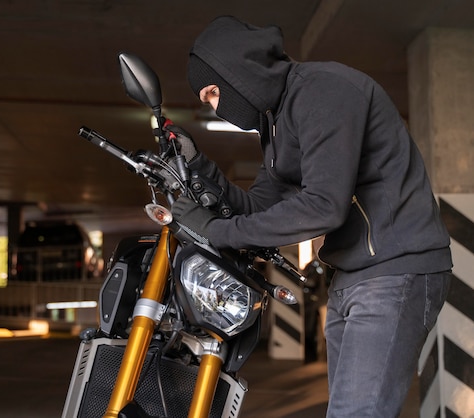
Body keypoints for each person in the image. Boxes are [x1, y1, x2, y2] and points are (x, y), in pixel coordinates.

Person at [167, 15, 453, 417]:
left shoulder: (325, 91)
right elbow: (260, 207)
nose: (215, 107)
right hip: (352, 272)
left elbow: (324, 206)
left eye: (214, 93)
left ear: (240, 71)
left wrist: (219, 232)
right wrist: (201, 170)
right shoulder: (276, 122)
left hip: (397, 268)